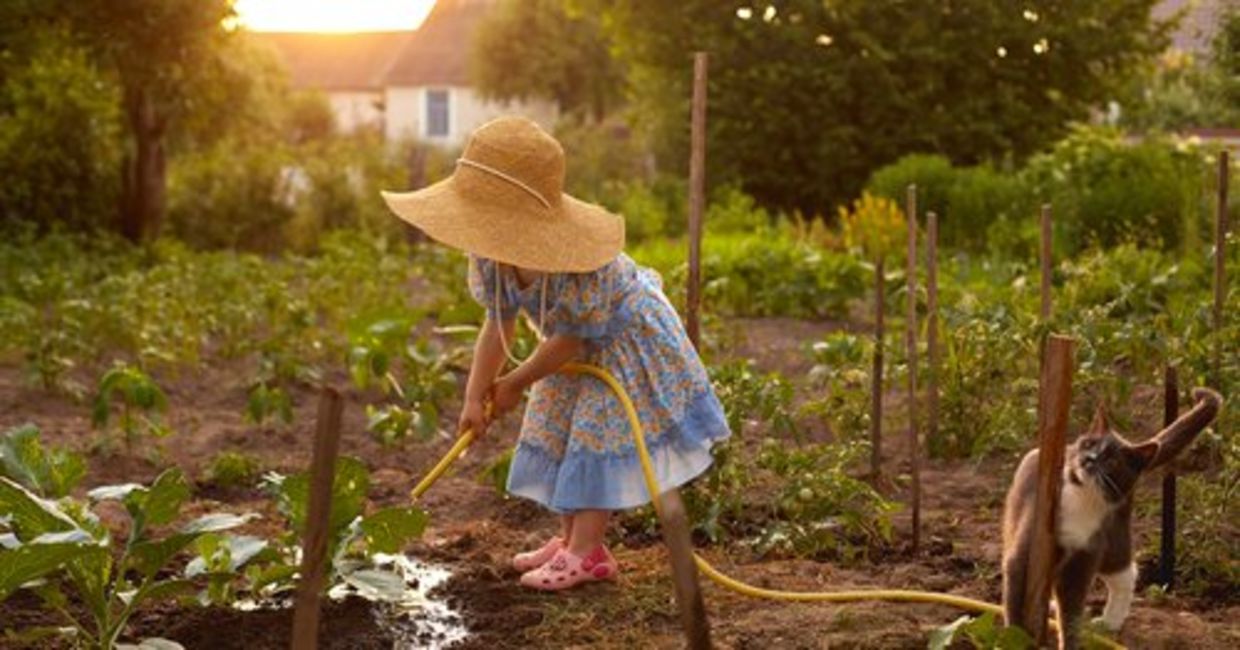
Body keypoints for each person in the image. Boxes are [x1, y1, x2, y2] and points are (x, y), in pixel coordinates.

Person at [382, 116, 730, 591]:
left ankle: (588, 552)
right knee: (556, 425)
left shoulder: (580, 263)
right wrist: (475, 394)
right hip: (566, 349)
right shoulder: (492, 256)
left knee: (594, 433)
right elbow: (497, 323)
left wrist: (514, 383)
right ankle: (570, 542)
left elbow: (575, 339)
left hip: (622, 346)